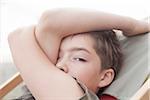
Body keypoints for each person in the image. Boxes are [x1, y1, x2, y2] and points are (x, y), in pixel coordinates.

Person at [8, 8, 149, 100]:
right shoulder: (40, 85)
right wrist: (131, 25)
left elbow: (18, 36)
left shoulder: (75, 95)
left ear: (105, 76)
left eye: (79, 58)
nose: (60, 65)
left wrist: (132, 27)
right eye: (58, 56)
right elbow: (49, 23)